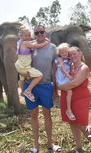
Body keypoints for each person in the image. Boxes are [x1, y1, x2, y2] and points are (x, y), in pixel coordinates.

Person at [21, 25, 62, 153]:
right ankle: (36, 145)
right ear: (34, 34)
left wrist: (55, 86)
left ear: (45, 33)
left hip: (46, 85)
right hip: (30, 86)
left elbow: (54, 68)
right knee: (34, 115)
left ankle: (50, 143)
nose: (39, 34)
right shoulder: (29, 47)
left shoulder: (52, 48)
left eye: (41, 32)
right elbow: (22, 62)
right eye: (37, 32)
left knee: (47, 114)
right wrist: (22, 73)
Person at [57, 46, 91, 153]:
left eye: (74, 54)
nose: (72, 56)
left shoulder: (84, 68)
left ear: (80, 54)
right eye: (70, 55)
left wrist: (60, 87)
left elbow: (75, 83)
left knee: (82, 124)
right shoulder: (69, 66)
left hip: (81, 98)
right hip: (68, 97)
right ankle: (79, 145)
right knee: (72, 122)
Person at [15, 25, 50, 102]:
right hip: (25, 66)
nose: (28, 37)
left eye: (29, 35)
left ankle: (22, 91)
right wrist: (46, 42)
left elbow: (32, 42)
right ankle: (28, 90)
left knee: (22, 78)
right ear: (21, 36)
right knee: (40, 75)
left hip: (21, 65)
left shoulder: (22, 42)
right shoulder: (25, 43)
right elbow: (37, 45)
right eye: (25, 36)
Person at [55, 43, 76, 121]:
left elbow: (71, 68)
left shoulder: (69, 60)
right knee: (69, 91)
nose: (64, 54)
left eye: (65, 52)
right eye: (62, 52)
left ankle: (72, 107)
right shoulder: (60, 60)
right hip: (62, 78)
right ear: (59, 53)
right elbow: (63, 71)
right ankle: (68, 110)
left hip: (67, 77)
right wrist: (70, 77)